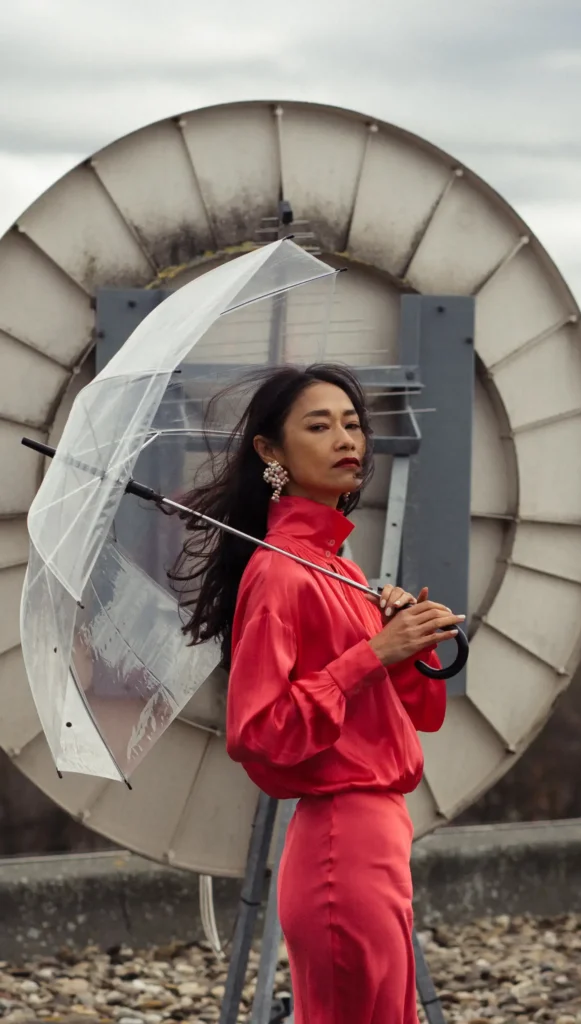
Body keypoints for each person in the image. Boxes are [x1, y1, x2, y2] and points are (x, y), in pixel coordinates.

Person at [170, 363, 464, 1024]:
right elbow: (259, 731)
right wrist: (371, 654)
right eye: (319, 425)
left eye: (353, 424)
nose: (345, 438)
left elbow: (418, 714)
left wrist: (403, 641)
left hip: (378, 838)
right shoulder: (280, 573)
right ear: (270, 452)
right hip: (342, 843)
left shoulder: (338, 567)